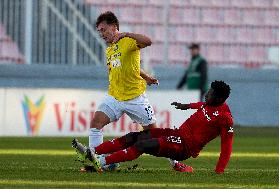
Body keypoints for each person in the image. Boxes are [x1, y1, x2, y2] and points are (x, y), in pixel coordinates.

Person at [74, 11, 183, 171]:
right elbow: (130, 67)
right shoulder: (109, 50)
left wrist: (125, 33)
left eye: (103, 30)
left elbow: (149, 41)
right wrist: (146, 76)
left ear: (114, 27)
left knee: (154, 134)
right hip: (115, 97)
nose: (101, 34)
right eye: (99, 31)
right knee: (96, 123)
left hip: (135, 98)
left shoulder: (128, 41)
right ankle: (100, 162)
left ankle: (175, 163)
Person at [73, 80, 234, 174]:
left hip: (184, 147)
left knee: (142, 145)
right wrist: (186, 106)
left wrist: (218, 172)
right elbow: (203, 104)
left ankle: (100, 162)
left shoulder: (225, 119)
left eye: (210, 93)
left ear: (219, 98)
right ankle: (92, 152)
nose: (207, 94)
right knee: (134, 137)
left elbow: (226, 147)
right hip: (176, 133)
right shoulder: (211, 103)